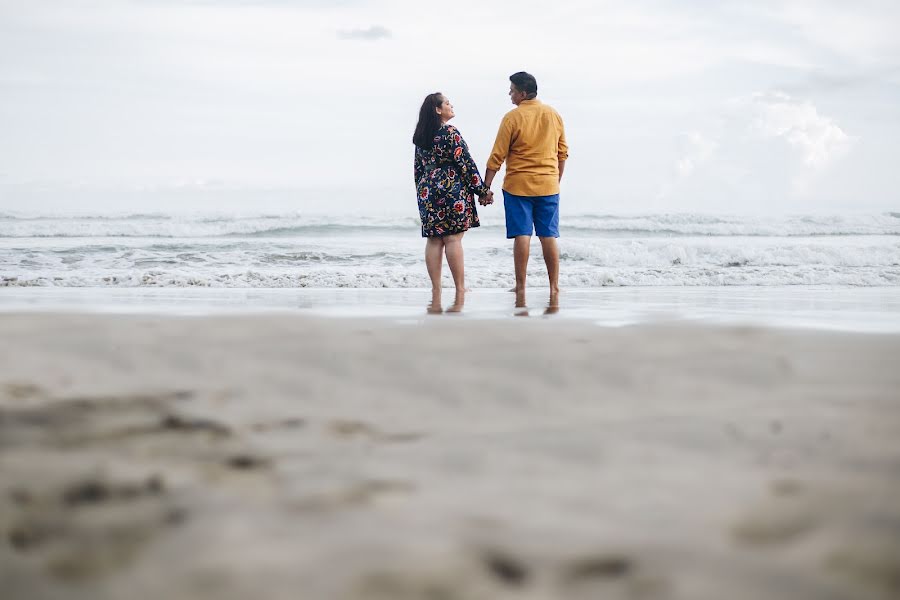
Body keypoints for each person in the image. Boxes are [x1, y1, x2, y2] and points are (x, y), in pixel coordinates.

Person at [484, 72, 568, 302]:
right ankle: (554, 287)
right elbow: (563, 153)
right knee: (548, 236)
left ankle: (520, 286)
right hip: (549, 185)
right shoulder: (553, 115)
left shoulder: (513, 117)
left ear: (522, 93)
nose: (509, 94)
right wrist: (555, 179)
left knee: (522, 235)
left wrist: (486, 186)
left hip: (517, 186)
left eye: (511, 90)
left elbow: (497, 155)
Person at [413, 92, 494, 311]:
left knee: (433, 239)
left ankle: (436, 289)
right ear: (438, 110)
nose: (451, 105)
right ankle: (459, 288)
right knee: (453, 239)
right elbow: (465, 162)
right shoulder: (450, 132)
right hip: (451, 187)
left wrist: (422, 193)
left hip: (427, 188)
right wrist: (482, 190)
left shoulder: (421, 135)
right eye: (447, 103)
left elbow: (418, 169)